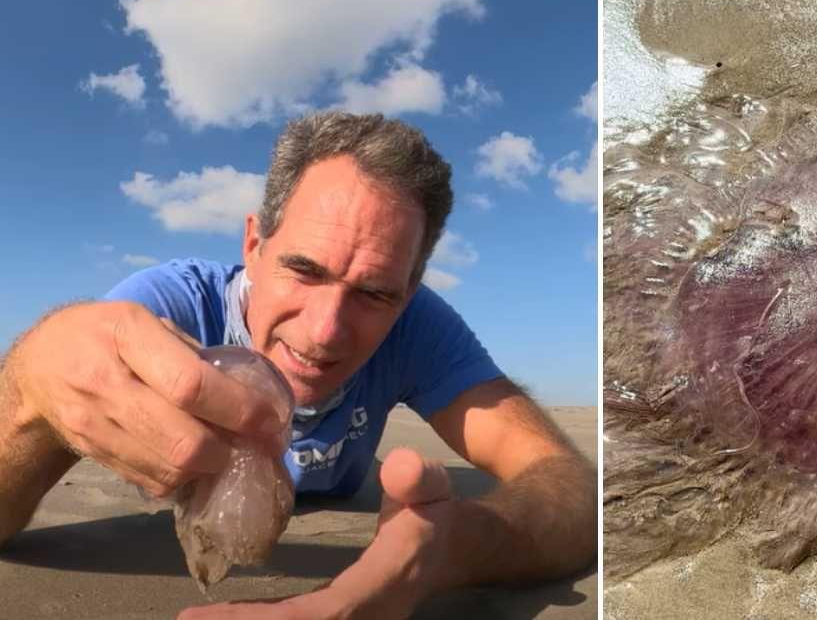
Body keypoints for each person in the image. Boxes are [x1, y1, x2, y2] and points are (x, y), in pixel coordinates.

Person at [0, 112, 597, 618]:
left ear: (409, 291)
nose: (325, 330)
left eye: (374, 294)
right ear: (254, 244)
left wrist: (455, 550)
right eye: (304, 270)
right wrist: (29, 396)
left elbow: (572, 488)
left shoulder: (417, 326)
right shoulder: (169, 309)